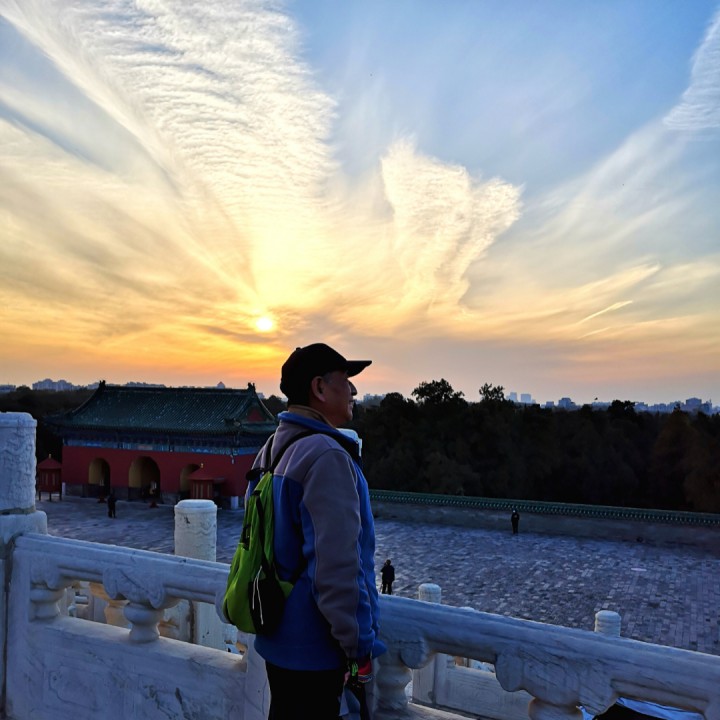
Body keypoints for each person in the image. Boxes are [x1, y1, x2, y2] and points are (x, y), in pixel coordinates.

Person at [251, 342, 385, 719]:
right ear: (320, 388)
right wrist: (358, 646)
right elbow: (337, 567)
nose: (354, 390)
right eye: (346, 380)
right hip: (316, 650)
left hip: (277, 637)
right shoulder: (327, 456)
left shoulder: (273, 448)